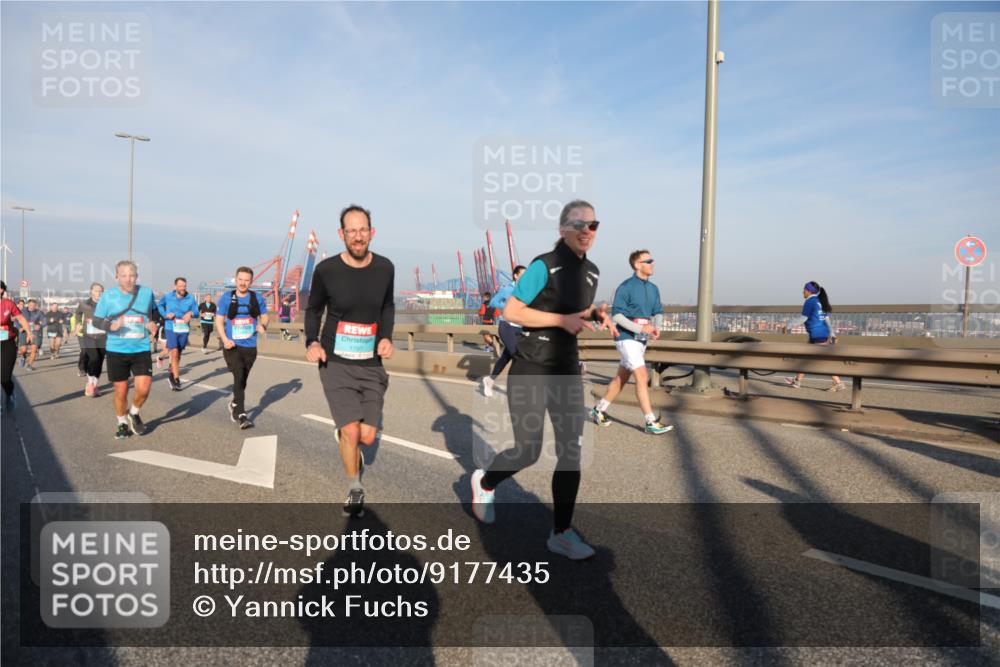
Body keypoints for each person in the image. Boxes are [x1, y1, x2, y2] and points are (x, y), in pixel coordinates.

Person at [470, 200, 615, 560]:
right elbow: (513, 310)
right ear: (562, 229)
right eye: (578, 224)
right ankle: (485, 482)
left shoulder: (592, 272)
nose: (586, 230)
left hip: (566, 369)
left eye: (593, 224)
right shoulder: (544, 265)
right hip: (532, 366)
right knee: (528, 450)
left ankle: (561, 533)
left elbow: (574, 312)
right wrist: (561, 321)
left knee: (570, 452)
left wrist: (594, 313)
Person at [305, 204, 394, 519]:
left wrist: (386, 337)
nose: (358, 236)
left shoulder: (385, 268)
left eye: (363, 230)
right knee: (352, 432)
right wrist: (312, 341)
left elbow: (387, 306)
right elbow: (313, 309)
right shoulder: (326, 270)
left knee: (367, 436)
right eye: (352, 231)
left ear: (372, 232)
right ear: (342, 234)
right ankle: (355, 486)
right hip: (336, 362)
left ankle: (347, 436)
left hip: (371, 363)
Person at [590, 250, 673, 434]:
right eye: (649, 261)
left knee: (622, 378)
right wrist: (641, 328)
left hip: (641, 341)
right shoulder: (625, 287)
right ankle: (650, 422)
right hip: (625, 338)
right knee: (642, 376)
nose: (653, 263)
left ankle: (599, 410)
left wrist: (656, 327)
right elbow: (617, 316)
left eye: (652, 260)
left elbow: (658, 311)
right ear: (637, 265)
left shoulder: (653, 288)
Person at [93, 260, 158, 439]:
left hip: (141, 347)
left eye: (132, 275)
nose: (128, 279)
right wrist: (111, 326)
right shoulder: (108, 296)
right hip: (117, 350)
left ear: (137, 276)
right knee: (121, 391)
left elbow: (155, 312)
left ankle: (134, 412)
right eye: (124, 276)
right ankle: (122, 422)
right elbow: (97, 320)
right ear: (117, 277)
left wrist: (153, 323)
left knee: (144, 389)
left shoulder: (146, 293)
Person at [215, 268, 269, 430]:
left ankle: (234, 403)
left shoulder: (257, 298)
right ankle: (241, 415)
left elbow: (264, 316)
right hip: (232, 346)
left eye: (246, 280)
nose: (243, 283)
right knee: (238, 375)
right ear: (235, 279)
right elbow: (219, 321)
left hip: (250, 347)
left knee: (242, 380)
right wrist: (225, 340)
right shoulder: (226, 298)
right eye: (240, 279)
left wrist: (263, 325)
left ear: (251, 281)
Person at [784, 281, 845, 392]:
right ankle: (797, 380)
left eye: (804, 289)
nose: (802, 291)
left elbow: (803, 318)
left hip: (817, 336)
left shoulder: (810, 301)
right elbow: (826, 319)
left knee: (822, 360)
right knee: (806, 357)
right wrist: (832, 334)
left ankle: (838, 383)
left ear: (809, 291)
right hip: (822, 334)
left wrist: (788, 325)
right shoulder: (819, 301)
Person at [480, 264, 526, 397]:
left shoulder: (526, 290)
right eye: (522, 275)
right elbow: (493, 302)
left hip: (520, 328)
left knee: (507, 356)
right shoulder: (507, 289)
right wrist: (506, 305)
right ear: (515, 276)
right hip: (506, 326)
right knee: (517, 356)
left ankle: (489, 380)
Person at [158, 277, 199, 391]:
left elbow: (196, 312)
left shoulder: (190, 298)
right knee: (174, 352)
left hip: (183, 329)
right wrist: (166, 315)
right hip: (171, 327)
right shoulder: (168, 296)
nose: (182, 288)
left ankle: (172, 374)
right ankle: (177, 380)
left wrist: (190, 313)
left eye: (184, 286)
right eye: (180, 286)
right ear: (175, 286)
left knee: (178, 354)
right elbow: (160, 305)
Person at [1, 281, 33, 412]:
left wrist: (29, 332)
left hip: (7, 343)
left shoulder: (8, 304)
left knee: (4, 377)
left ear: (2, 290)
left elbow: (21, 319)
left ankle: (9, 395)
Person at [73, 283, 107, 397]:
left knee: (100, 360)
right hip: (88, 335)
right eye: (96, 290)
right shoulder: (84, 304)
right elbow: (78, 313)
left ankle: (95, 385)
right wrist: (78, 323)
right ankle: (90, 383)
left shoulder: (106, 304)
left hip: (103, 336)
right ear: (91, 291)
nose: (98, 293)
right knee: (94, 358)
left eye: (101, 291)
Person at [19, 299, 43, 370]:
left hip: (34, 332)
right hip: (24, 332)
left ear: (36, 306)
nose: (32, 306)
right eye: (31, 305)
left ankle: (29, 365)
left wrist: (40, 325)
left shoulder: (39, 312)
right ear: (28, 305)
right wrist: (20, 327)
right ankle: (23, 356)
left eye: (34, 305)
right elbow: (16, 321)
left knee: (34, 349)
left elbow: (44, 321)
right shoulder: (22, 311)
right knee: (24, 349)